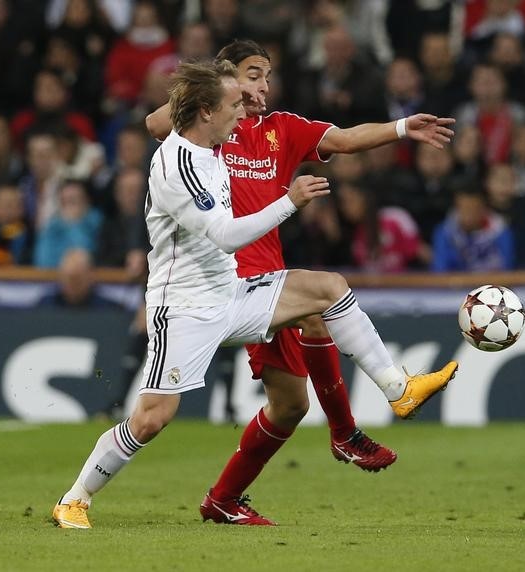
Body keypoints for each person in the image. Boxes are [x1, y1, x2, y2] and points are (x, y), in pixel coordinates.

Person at [52, 60, 458, 530]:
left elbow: (328, 139)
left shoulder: (216, 145)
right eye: (232, 106)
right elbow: (224, 235)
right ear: (205, 111)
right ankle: (75, 499)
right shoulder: (177, 165)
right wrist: (291, 200)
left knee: (329, 290)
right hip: (186, 307)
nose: (241, 115)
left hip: (234, 292)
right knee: (151, 418)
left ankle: (397, 390)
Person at [145, 39, 455, 483]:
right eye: (254, 75)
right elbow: (156, 121)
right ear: (226, 78)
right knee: (319, 308)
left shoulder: (283, 130)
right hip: (224, 278)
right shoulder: (206, 130)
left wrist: (402, 127)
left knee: (291, 406)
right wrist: (223, 89)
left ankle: (223, 501)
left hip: (267, 275)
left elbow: (344, 139)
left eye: (268, 77)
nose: (264, 86)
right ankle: (351, 427)